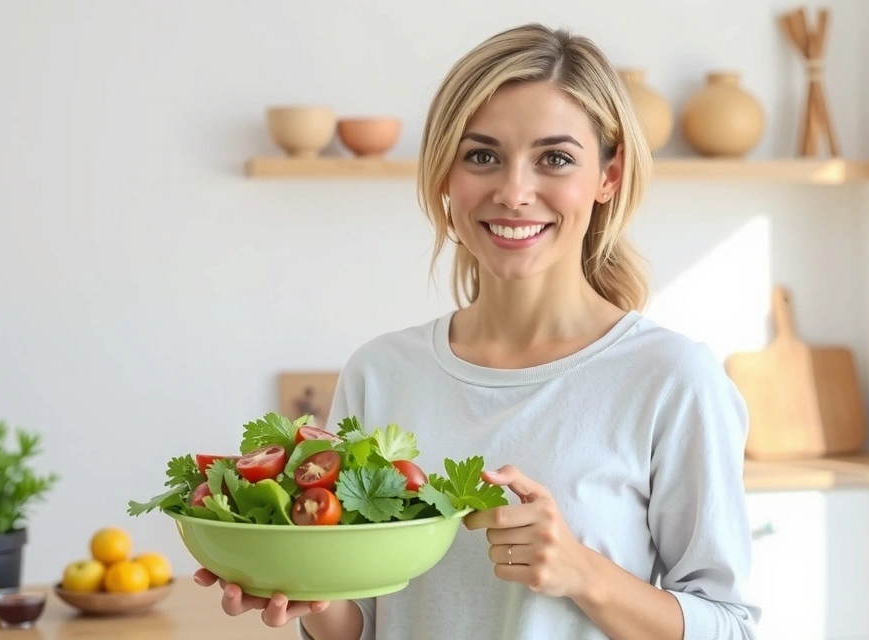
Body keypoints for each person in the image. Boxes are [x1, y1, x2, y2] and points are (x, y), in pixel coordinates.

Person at [195, 22, 760, 639]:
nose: (515, 192)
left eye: (556, 158)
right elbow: (366, 622)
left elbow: (730, 627)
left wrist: (584, 574)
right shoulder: (381, 371)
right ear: (445, 177)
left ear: (609, 176)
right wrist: (305, 593)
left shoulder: (673, 379)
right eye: (482, 155)